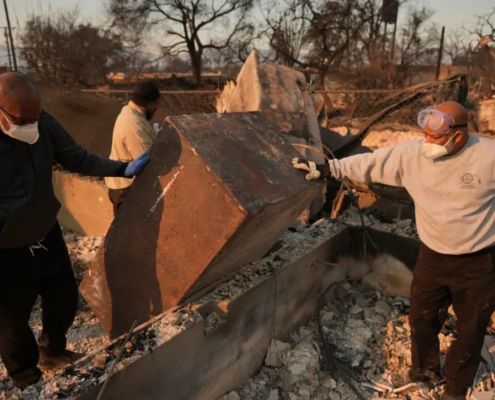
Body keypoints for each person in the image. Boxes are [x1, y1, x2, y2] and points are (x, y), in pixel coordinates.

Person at [292, 101, 495, 400]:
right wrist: (326, 169)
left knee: (471, 329)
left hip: (478, 262)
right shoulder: (413, 155)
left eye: (435, 138)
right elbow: (370, 164)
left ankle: (455, 387)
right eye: (425, 135)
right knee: (421, 318)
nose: (428, 143)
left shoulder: (488, 156)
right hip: (433, 256)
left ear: (459, 136)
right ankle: (425, 369)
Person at [0, 72, 149, 389]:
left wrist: (121, 168)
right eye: (21, 120)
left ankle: (51, 349)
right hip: (7, 245)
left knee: (64, 297)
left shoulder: (43, 124)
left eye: (34, 118)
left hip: (44, 229)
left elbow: (75, 157)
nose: (30, 126)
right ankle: (26, 378)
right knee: (12, 319)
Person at [105, 80, 161, 214]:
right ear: (148, 103)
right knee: (131, 234)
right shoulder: (135, 125)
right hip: (126, 190)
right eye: (155, 104)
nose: (156, 108)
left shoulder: (130, 112)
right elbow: (148, 164)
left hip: (124, 187)